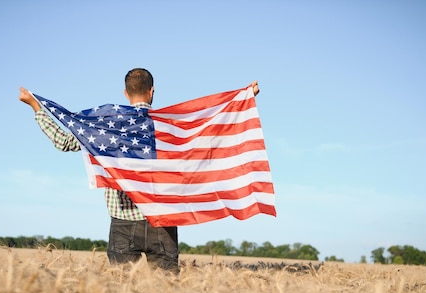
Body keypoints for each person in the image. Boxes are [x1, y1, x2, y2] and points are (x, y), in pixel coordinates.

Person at [19, 68, 260, 275]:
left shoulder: (106, 128)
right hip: (164, 223)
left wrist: (36, 106)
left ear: (126, 93)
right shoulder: (171, 126)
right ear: (152, 91)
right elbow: (211, 132)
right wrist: (243, 99)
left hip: (123, 224)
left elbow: (63, 141)